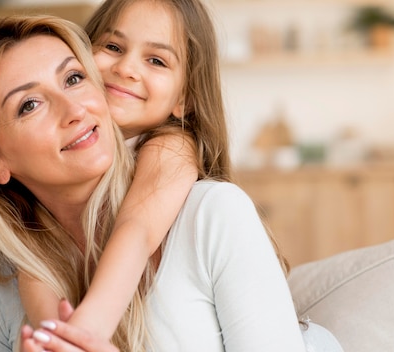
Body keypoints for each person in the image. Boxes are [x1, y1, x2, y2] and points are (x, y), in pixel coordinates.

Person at [0, 14, 340, 352]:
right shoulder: (2, 281)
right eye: (30, 105)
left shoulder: (213, 213)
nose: (75, 109)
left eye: (73, 78)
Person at [17, 0, 252, 345]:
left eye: (156, 60)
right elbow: (36, 254)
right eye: (113, 47)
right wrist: (54, 338)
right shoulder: (55, 164)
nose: (126, 68)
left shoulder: (170, 147)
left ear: (183, 98)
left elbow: (137, 231)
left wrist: (86, 330)